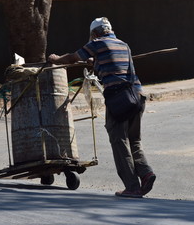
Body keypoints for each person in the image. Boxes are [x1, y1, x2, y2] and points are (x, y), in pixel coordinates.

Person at [48, 17, 155, 198]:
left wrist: (56, 59)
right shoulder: (123, 45)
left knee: (119, 141)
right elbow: (112, 66)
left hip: (119, 100)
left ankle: (132, 187)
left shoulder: (97, 43)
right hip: (137, 97)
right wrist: (94, 63)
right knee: (134, 139)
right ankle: (146, 173)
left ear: (94, 33)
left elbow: (73, 58)